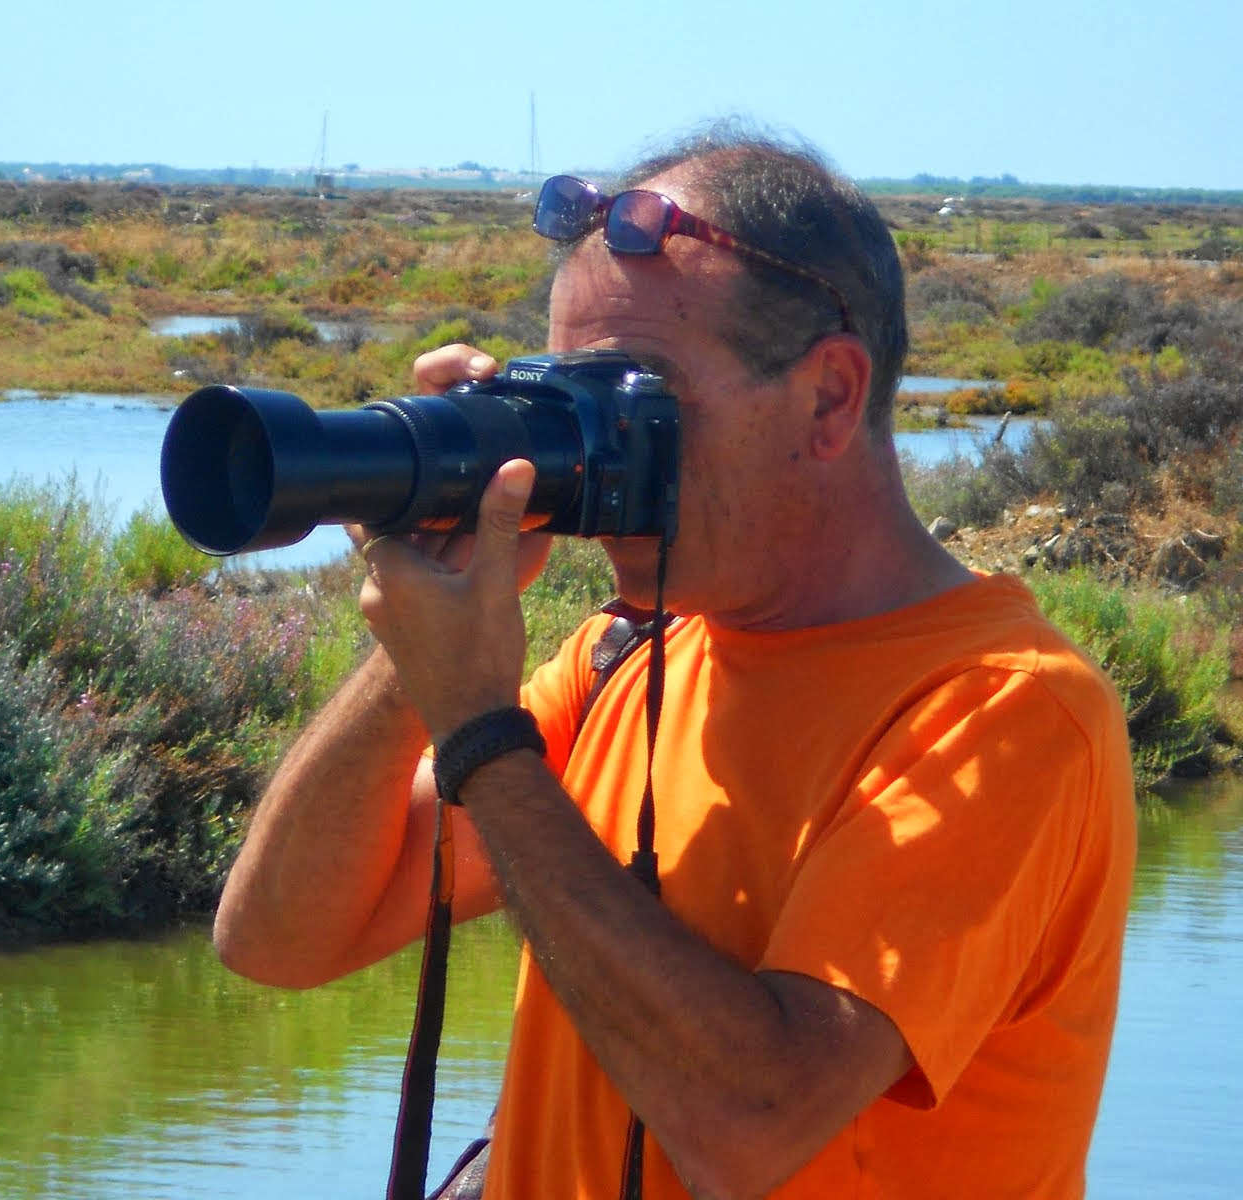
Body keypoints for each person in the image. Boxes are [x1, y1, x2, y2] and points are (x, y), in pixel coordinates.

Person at [212, 124, 1138, 1199]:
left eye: (638, 398)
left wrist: (482, 734)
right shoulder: (624, 654)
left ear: (830, 397)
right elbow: (276, 938)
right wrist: (414, 646)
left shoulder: (1003, 717)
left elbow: (748, 1126)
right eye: (570, 397)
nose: (599, 449)